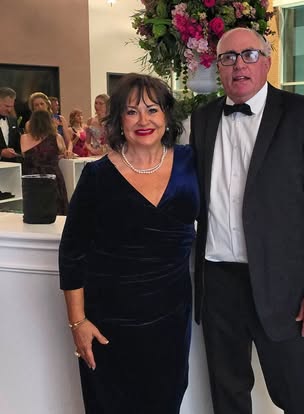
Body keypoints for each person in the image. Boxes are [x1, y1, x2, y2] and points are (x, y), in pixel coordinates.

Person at [190, 28, 304, 414]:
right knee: (227, 394)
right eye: (228, 57)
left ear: (267, 62)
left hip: (285, 285)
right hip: (217, 282)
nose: (239, 65)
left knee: (296, 393)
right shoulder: (203, 119)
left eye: (249, 55)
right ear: (218, 67)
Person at [59, 73, 199, 413]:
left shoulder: (191, 162)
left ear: (167, 115)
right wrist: (78, 323)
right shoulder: (96, 176)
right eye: (132, 112)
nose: (143, 121)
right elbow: (72, 253)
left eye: (152, 109)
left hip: (170, 320)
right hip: (108, 323)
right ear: (119, 120)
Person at [20, 110, 69, 215]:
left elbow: (26, 156)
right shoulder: (57, 137)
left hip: (32, 179)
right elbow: (62, 152)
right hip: (52, 178)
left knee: (35, 212)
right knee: (56, 211)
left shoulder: (24, 138)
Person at [0, 87, 22, 162]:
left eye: (11, 106)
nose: (9, 110)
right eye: (6, 106)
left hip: (12, 165)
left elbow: (17, 145)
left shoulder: (13, 120)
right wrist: (1, 153)